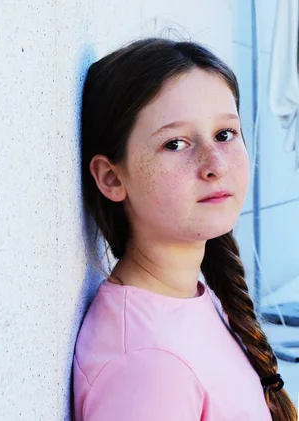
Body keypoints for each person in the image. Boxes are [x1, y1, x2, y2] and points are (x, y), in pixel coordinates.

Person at [74, 38, 298, 421]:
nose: (215, 165)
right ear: (112, 178)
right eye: (176, 143)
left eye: (225, 134)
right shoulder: (147, 367)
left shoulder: (188, 295)